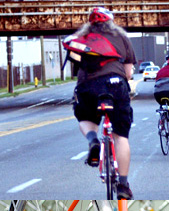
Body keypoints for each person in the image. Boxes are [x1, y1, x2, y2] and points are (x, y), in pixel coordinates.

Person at [70, 7, 136, 199]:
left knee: (84, 115)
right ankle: (123, 185)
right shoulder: (121, 38)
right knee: (120, 136)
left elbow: (77, 67)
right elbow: (129, 73)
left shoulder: (82, 39)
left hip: (88, 86)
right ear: (111, 22)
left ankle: (93, 141)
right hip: (115, 84)